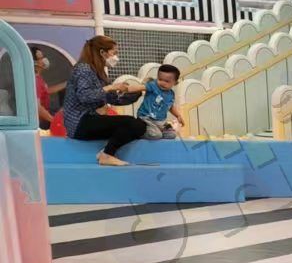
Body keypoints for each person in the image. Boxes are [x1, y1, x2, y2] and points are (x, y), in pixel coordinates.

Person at [62, 35, 146, 166]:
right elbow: (85, 96)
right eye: (114, 53)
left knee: (139, 125)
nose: (116, 57)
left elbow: (113, 99)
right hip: (79, 122)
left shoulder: (99, 72)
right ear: (102, 52)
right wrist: (111, 87)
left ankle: (106, 152)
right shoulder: (83, 69)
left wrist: (141, 91)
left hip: (92, 119)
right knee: (130, 123)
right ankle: (107, 155)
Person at [136, 63, 188, 139]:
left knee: (171, 135)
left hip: (160, 121)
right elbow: (140, 87)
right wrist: (127, 89)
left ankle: (156, 131)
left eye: (166, 81)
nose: (162, 83)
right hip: (146, 118)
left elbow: (170, 106)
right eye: (160, 79)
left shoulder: (171, 94)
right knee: (157, 135)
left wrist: (178, 116)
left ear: (175, 83)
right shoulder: (153, 86)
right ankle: (138, 133)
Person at [33, 47, 53, 129]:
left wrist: (67, 84)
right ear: (34, 62)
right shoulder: (35, 80)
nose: (44, 60)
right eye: (40, 58)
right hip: (40, 122)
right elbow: (37, 107)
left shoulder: (38, 78)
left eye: (43, 57)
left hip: (43, 118)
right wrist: (54, 121)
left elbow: (46, 91)